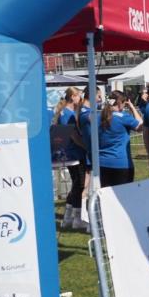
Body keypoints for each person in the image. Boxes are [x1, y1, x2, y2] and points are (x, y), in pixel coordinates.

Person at [80, 91, 144, 187]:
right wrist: (132, 108)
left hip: (102, 163)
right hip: (121, 164)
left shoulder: (97, 118)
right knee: (124, 196)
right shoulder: (123, 117)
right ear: (120, 103)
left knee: (107, 196)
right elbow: (140, 126)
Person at [53, 87, 88, 228]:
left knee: (75, 184)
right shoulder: (67, 114)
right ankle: (77, 219)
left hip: (72, 153)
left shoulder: (66, 112)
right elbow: (73, 135)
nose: (80, 98)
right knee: (79, 184)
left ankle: (68, 217)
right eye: (78, 96)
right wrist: (86, 147)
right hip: (74, 154)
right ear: (72, 96)